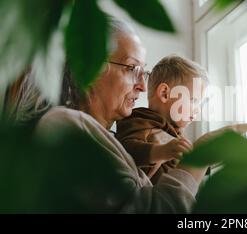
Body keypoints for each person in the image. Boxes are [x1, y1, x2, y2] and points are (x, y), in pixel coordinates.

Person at [35, 19, 208, 213]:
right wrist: (200, 157)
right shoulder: (64, 128)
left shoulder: (109, 142)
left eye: (144, 72)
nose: (142, 86)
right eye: (132, 68)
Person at [115, 55, 208, 184]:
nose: (198, 109)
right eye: (193, 100)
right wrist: (161, 151)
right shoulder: (140, 120)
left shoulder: (176, 133)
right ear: (165, 93)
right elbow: (125, 151)